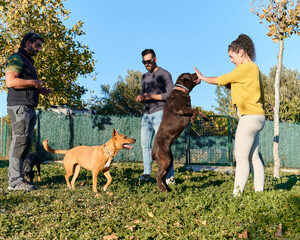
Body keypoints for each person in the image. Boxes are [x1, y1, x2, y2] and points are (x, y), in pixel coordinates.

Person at [194, 34, 265, 196]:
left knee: (240, 157)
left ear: (241, 52)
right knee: (254, 156)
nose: (231, 60)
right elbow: (234, 85)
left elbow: (222, 79)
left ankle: (236, 195)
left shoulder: (244, 68)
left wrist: (202, 77)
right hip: (258, 116)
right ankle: (261, 194)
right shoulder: (254, 69)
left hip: (249, 117)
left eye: (232, 57)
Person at [5, 32, 52, 191]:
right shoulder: (16, 58)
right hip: (19, 107)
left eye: (40, 46)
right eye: (37, 45)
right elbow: (11, 81)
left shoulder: (27, 62)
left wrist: (39, 89)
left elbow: (25, 83)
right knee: (20, 142)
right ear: (27, 43)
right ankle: (15, 181)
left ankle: (19, 178)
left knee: (25, 143)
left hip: (28, 106)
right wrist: (34, 82)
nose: (39, 49)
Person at [136, 49, 175, 183]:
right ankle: (147, 174)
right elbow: (145, 94)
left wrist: (151, 96)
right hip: (146, 115)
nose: (147, 64)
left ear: (155, 59)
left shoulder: (164, 74)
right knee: (145, 146)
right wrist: (141, 97)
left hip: (160, 113)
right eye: (144, 62)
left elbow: (171, 94)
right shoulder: (144, 77)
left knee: (163, 146)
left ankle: (169, 176)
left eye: (149, 61)